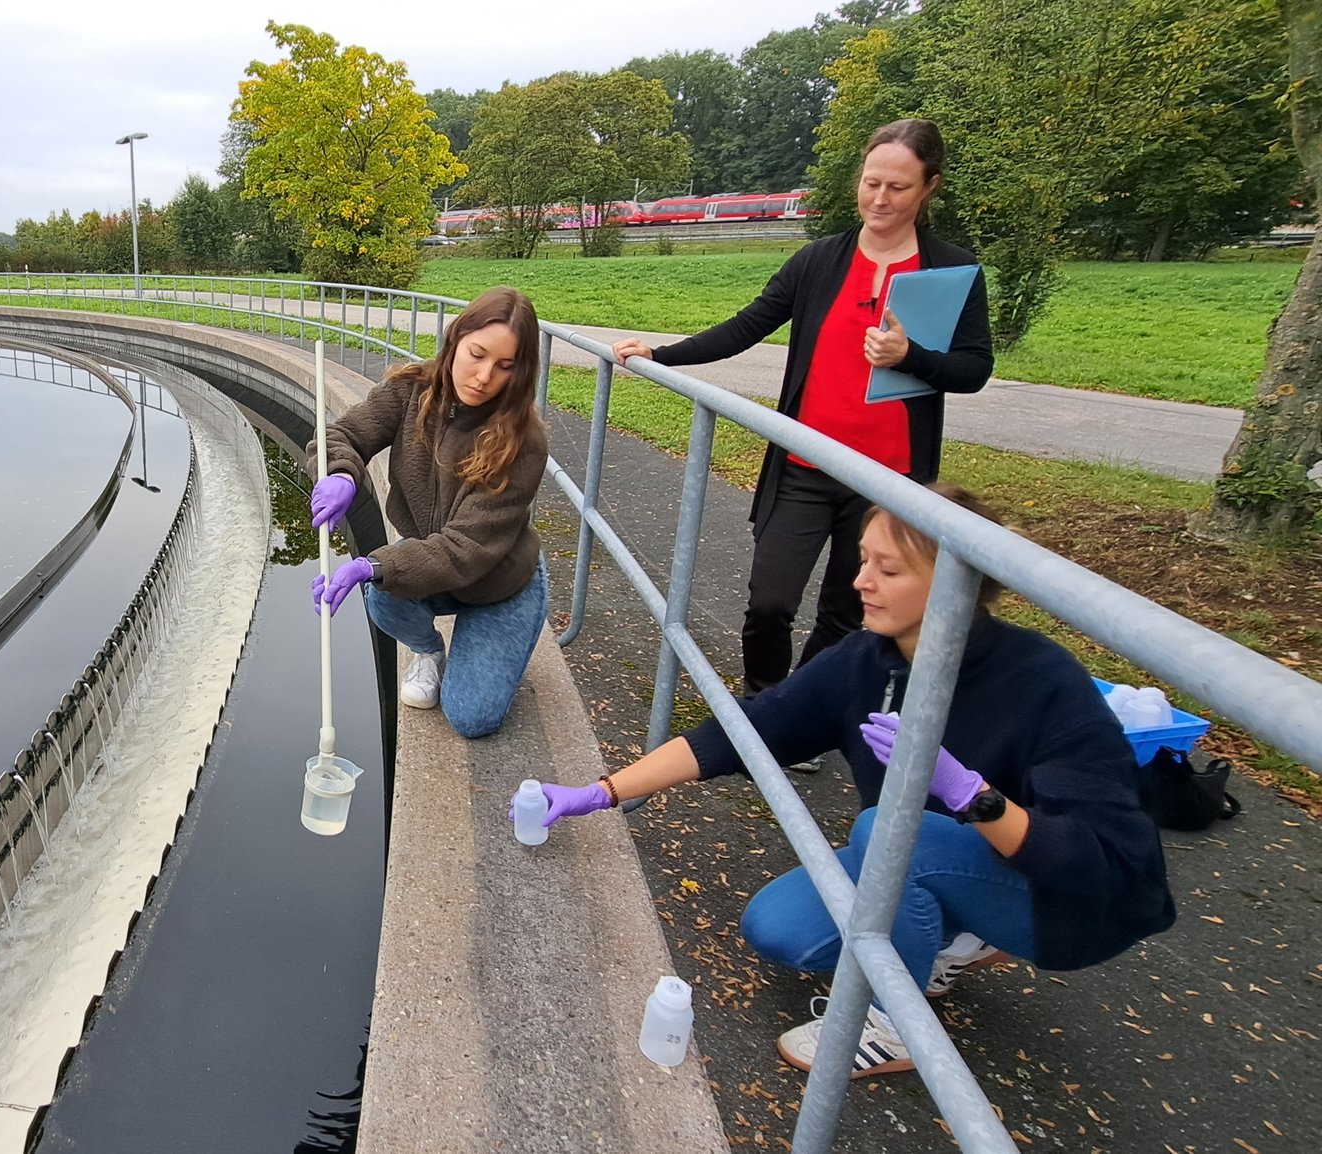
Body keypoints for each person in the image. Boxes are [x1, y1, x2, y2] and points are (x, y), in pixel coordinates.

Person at [521, 485, 1175, 1077]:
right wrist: (602, 792)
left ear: (959, 584)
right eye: (863, 559)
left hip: (1058, 900)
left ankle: (899, 1027)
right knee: (776, 928)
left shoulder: (1042, 680)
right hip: (925, 855)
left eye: (887, 569)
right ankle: (953, 934)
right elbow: (746, 731)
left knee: (889, 832)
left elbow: (1107, 864)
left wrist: (973, 796)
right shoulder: (868, 661)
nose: (860, 581)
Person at [613, 119, 994, 712]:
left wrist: (911, 357)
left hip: (889, 482)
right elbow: (748, 325)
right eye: (871, 183)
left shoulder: (950, 272)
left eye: (898, 187)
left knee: (848, 612)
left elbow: (973, 370)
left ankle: (801, 708)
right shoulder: (819, 261)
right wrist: (661, 354)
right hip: (803, 465)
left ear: (929, 189)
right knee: (770, 600)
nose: (880, 199)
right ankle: (765, 698)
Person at [308, 285, 548, 739]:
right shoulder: (409, 391)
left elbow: (466, 549)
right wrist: (341, 473)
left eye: (504, 367)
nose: (482, 376)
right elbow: (342, 435)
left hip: (496, 580)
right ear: (456, 338)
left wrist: (373, 563)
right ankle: (430, 651)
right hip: (431, 556)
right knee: (381, 592)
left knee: (472, 718)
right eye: (476, 354)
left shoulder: (524, 441)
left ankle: (521, 614)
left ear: (520, 372)